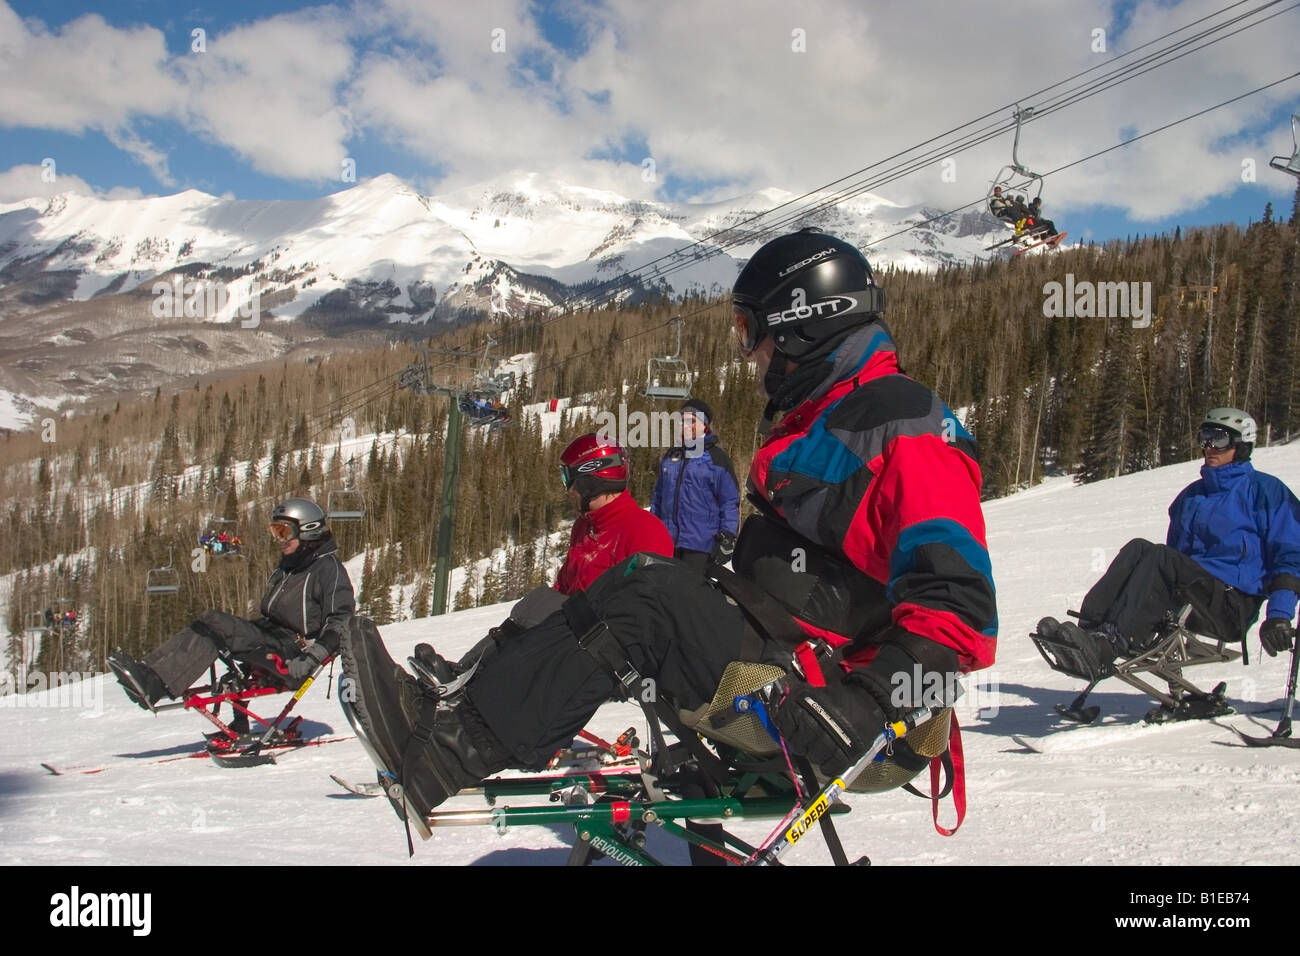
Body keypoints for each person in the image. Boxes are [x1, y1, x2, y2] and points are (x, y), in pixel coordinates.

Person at [340, 228, 997, 838]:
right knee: (628, 584)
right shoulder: (833, 417)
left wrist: (870, 703)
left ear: (802, 326)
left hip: (856, 720)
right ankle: (450, 720)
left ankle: (444, 753)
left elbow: (959, 605)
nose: (750, 355)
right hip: (801, 667)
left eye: (752, 333)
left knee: (647, 602)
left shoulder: (903, 427)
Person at [1040, 408, 1300, 661]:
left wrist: (1279, 614)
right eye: (1204, 438)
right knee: (1139, 548)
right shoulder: (1191, 496)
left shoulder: (1266, 491)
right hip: (1192, 599)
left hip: (1233, 606)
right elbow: (1172, 561)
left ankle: (1113, 642)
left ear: (1241, 445)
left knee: (1162, 557)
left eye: (1218, 439)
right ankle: (1088, 632)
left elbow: (1291, 555)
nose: (1209, 447)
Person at [109, 498, 356, 716]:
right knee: (209, 622)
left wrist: (312, 659)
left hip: (292, 651)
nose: (278, 540)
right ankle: (148, 673)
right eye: (275, 532)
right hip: (272, 635)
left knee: (217, 623)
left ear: (308, 531)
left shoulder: (327, 569)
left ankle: (154, 683)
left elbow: (341, 620)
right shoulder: (291, 565)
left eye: (283, 532)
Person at [649, 398, 740, 571]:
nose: (684, 424)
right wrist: (652, 526)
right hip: (667, 541)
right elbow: (658, 496)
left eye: (691, 420)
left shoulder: (717, 459)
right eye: (682, 419)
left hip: (700, 544)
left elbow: (729, 501)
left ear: (704, 425)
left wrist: (728, 535)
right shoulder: (671, 455)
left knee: (689, 594)